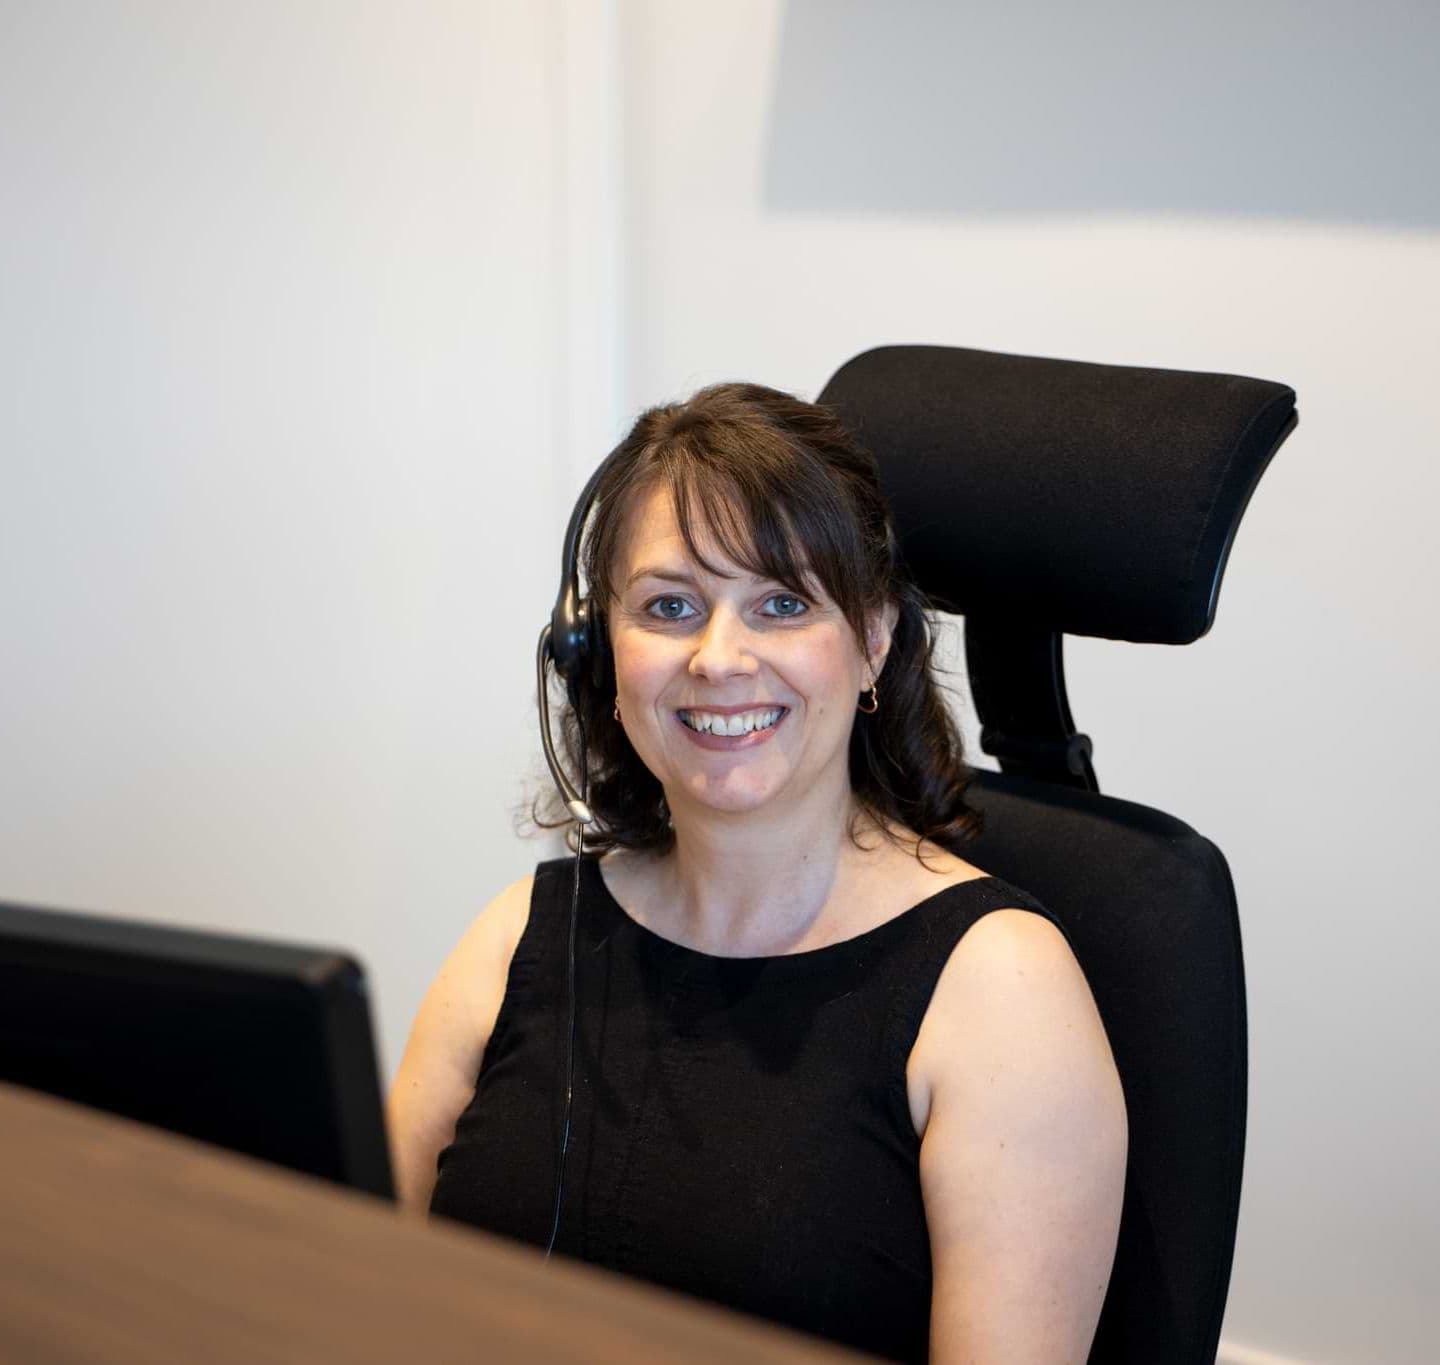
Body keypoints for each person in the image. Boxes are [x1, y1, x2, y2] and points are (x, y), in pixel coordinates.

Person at [386, 382, 1127, 1364]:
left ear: (871, 638)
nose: (718, 658)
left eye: (781, 603)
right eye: (669, 606)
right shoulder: (521, 935)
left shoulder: (1000, 991)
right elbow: (347, 1273)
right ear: (596, 651)